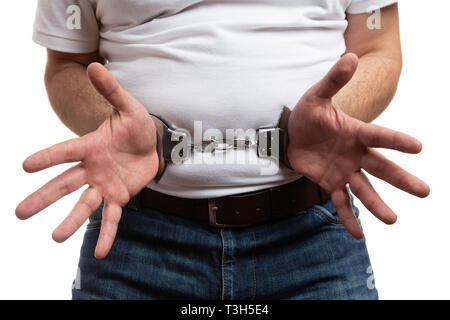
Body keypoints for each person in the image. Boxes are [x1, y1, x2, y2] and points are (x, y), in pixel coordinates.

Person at [16, 0, 429, 299]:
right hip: (138, 236)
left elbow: (378, 50)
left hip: (311, 234)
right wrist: (115, 123)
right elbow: (67, 63)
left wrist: (331, 116)